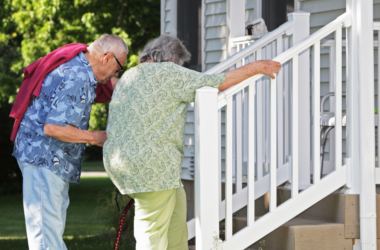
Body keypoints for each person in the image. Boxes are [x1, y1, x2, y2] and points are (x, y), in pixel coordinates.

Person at [103, 34, 281, 250]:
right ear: (172, 59)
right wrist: (258, 67)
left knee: (176, 215)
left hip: (123, 162)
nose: (180, 68)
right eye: (179, 64)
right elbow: (218, 82)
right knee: (151, 233)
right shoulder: (168, 73)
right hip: (151, 167)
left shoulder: (131, 75)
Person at [12, 34, 128, 250]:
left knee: (50, 231)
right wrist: (96, 137)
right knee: (46, 239)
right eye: (118, 67)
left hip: (50, 160)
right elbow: (52, 128)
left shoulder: (81, 68)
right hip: (43, 158)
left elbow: (113, 84)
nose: (116, 73)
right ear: (107, 57)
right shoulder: (76, 77)